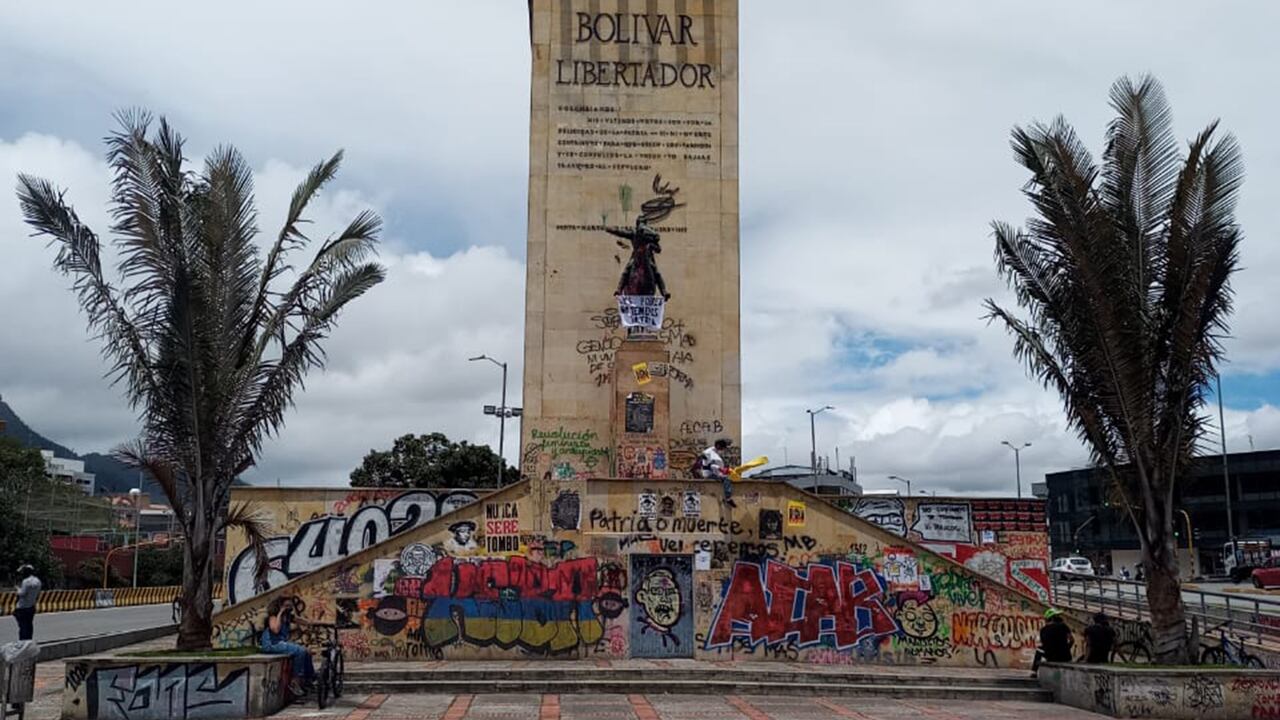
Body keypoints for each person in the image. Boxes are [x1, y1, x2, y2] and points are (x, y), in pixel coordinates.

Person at [260, 598, 315, 696]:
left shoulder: (289, 617)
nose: (289, 608)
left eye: (290, 606)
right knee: (300, 651)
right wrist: (280, 613)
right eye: (286, 606)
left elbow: (305, 621)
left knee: (307, 652)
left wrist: (314, 623)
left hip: (281, 644)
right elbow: (275, 630)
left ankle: (308, 679)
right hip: (272, 645)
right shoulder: (273, 617)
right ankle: (295, 680)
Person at [1031, 608, 1074, 676]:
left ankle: (1034, 671)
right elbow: (1071, 640)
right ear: (1053, 618)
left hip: (1051, 656)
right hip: (1065, 656)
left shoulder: (1043, 630)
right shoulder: (1064, 626)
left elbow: (1044, 643)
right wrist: (1066, 648)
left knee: (1039, 649)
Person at [699, 439, 735, 508]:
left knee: (727, 476)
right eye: (723, 447)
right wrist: (720, 469)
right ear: (718, 446)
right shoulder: (710, 453)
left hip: (714, 472)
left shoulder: (713, 451)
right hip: (709, 474)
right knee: (726, 479)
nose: (723, 449)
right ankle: (728, 498)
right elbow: (710, 465)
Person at [12, 564, 41, 641]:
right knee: (29, 626)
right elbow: (38, 594)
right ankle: (29, 641)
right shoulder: (38, 581)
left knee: (23, 627)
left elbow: (22, 594)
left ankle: (23, 642)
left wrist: (17, 589)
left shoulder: (26, 581)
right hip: (31, 606)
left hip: (22, 607)